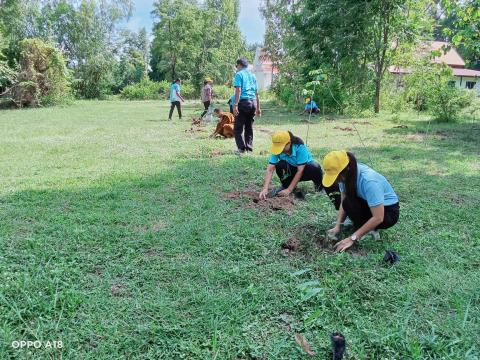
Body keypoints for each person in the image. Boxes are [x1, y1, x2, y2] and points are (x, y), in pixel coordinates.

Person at [322, 150, 400, 253]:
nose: (336, 181)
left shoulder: (369, 181)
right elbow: (344, 201)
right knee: (348, 202)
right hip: (369, 205)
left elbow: (378, 217)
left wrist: (352, 238)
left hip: (387, 212)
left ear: (346, 169)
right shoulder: (346, 176)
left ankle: (371, 230)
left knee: (353, 205)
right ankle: (362, 225)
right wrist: (338, 225)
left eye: (336, 177)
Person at [259, 130, 341, 208]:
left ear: (289, 143)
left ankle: (320, 187)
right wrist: (265, 189)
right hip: (290, 171)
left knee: (314, 167)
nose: (280, 150)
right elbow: (270, 169)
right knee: (280, 165)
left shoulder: (300, 147)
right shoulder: (277, 150)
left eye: (282, 147)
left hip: (305, 171)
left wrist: (289, 190)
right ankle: (285, 185)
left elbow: (300, 171)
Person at [233, 58, 261, 155]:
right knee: (249, 126)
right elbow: (257, 93)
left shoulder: (239, 74)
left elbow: (238, 90)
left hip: (243, 103)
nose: (236, 68)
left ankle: (241, 149)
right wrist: (258, 108)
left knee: (237, 128)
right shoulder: (252, 75)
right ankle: (249, 148)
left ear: (239, 65)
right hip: (253, 103)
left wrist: (235, 104)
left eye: (236, 66)